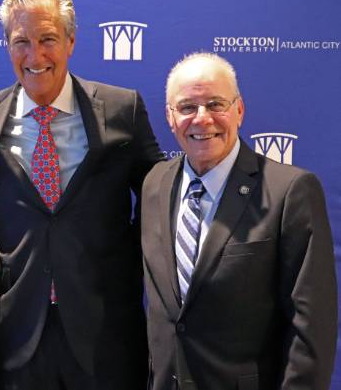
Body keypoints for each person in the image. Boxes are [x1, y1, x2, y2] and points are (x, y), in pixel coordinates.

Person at [0, 0, 163, 390]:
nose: (35, 55)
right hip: (17, 333)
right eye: (21, 41)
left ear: (71, 42)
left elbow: (159, 200)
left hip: (105, 330)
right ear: (7, 46)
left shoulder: (121, 110)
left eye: (48, 39)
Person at [141, 52, 337, 390]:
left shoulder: (289, 191)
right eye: (187, 107)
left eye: (215, 104)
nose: (202, 119)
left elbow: (311, 328)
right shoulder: (154, 184)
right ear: (170, 117)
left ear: (239, 110)